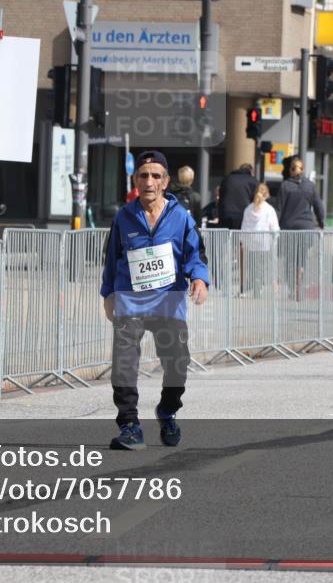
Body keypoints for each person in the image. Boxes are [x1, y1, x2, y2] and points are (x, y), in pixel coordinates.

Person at [101, 150, 209, 450]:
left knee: (177, 365)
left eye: (155, 176)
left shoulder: (181, 218)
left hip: (168, 303)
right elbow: (111, 258)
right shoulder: (124, 216)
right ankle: (130, 426)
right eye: (143, 175)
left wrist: (199, 279)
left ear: (166, 182)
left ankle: (167, 411)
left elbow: (196, 254)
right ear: (136, 180)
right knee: (123, 365)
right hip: (130, 302)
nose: (149, 181)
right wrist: (107, 293)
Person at [275, 158, 324, 230]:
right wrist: (321, 223)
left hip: (288, 227)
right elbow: (319, 207)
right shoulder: (310, 185)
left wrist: (274, 225)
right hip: (306, 227)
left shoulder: (285, 185)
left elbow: (279, 209)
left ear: (290, 170)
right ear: (303, 170)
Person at [218, 163, 258, 230]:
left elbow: (220, 196)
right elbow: (256, 200)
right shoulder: (253, 181)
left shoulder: (227, 179)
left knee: (225, 239)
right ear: (251, 171)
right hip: (243, 215)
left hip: (225, 214)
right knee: (240, 239)